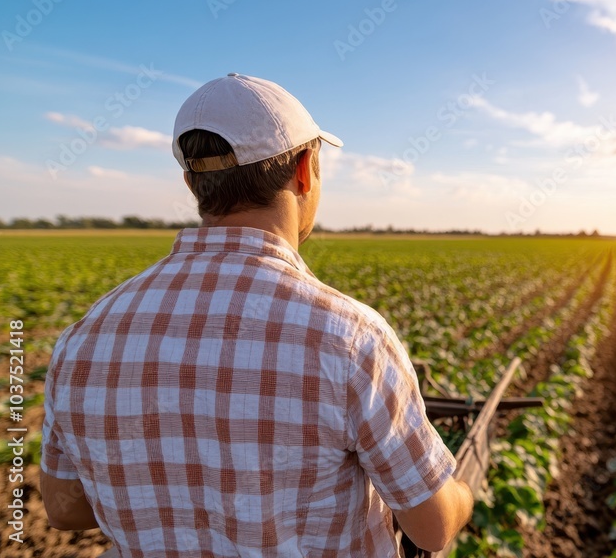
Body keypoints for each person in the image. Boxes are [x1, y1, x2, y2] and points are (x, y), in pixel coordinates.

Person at [39, 73, 474, 557]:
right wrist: (464, 496)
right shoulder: (351, 339)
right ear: (305, 170)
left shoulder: (83, 338)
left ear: (192, 183)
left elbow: (64, 510)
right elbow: (431, 528)